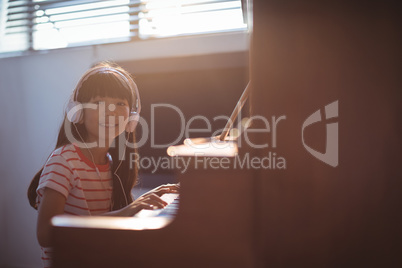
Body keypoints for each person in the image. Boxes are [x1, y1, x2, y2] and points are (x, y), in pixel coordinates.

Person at [27, 62, 179, 267]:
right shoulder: (63, 161)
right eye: (98, 103)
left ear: (131, 118)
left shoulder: (110, 164)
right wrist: (126, 212)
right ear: (77, 114)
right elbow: (46, 234)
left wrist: (138, 205)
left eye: (120, 103)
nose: (111, 112)